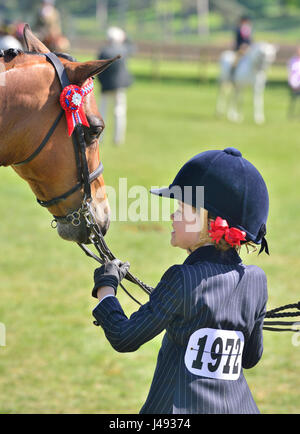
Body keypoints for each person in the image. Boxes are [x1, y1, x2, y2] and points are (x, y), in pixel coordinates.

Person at [91, 147, 269, 414]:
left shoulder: (183, 279)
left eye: (181, 209)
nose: (172, 216)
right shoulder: (256, 280)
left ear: (208, 221)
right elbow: (250, 358)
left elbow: (124, 337)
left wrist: (107, 286)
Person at [97, 26, 134, 145]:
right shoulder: (123, 50)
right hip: (120, 86)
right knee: (119, 112)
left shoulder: (104, 51)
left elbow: (99, 69)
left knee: (102, 112)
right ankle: (118, 138)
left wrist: (101, 82)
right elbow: (133, 47)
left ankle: (100, 137)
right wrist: (125, 37)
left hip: (105, 86)